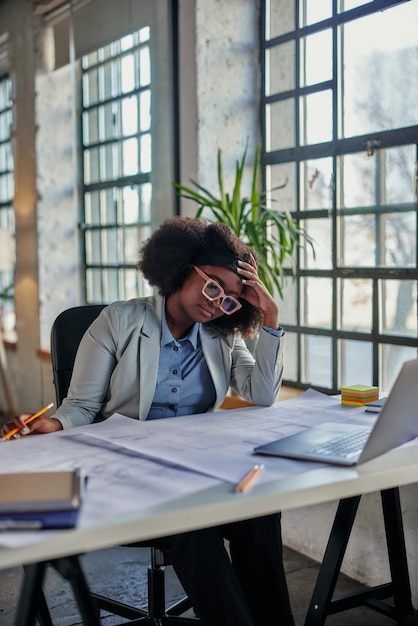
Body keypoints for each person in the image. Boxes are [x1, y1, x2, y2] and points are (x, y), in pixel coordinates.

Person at [1, 216, 294, 626]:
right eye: (212, 285)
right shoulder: (119, 321)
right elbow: (81, 407)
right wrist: (55, 424)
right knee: (196, 523)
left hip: (194, 467)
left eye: (230, 298)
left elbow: (262, 393)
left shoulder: (222, 336)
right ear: (180, 268)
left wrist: (271, 319)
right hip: (126, 472)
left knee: (261, 511)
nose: (216, 302)